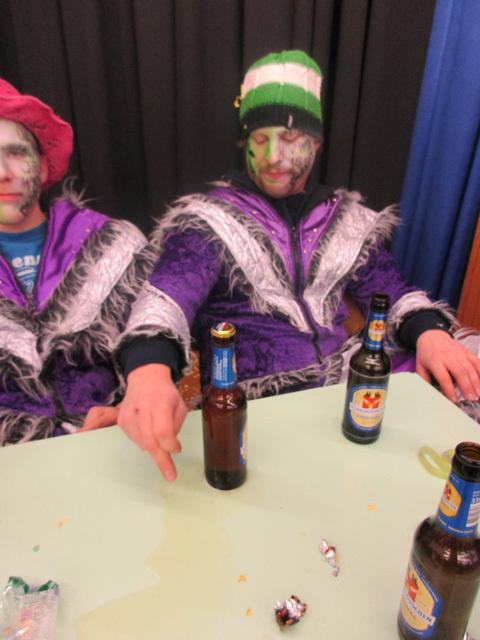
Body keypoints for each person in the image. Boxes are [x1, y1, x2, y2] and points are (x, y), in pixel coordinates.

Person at [84, 50, 480, 479]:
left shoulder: (348, 218)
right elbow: (165, 299)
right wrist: (147, 371)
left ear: (316, 143)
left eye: (290, 139)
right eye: (260, 139)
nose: (274, 155)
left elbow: (391, 291)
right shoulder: (207, 222)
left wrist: (430, 334)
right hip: (260, 400)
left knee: (464, 379)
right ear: (245, 143)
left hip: (345, 380)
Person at [0, 78, 150, 444]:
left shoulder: (114, 246)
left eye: (15, 153)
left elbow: (151, 347)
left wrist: (128, 409)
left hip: (108, 444)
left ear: (42, 164)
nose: (3, 173)